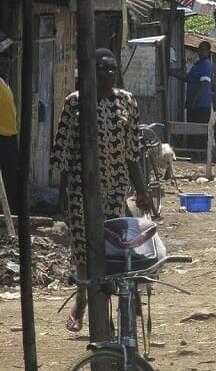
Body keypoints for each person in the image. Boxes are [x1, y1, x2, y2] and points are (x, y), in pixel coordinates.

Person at [51, 48, 153, 333]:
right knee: (85, 254)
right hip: (82, 193)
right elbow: (63, 152)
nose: (109, 74)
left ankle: (104, 309)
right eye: (102, 69)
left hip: (116, 190)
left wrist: (141, 190)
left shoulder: (127, 102)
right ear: (90, 72)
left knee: (113, 254)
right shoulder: (76, 104)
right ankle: (87, 305)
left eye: (112, 69)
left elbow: (133, 151)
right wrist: (62, 201)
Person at [0, 75, 19, 215]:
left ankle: (10, 212)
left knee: (10, 178)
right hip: (3, 136)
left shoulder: (4, 83)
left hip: (8, 135)